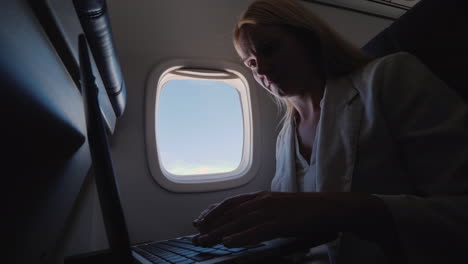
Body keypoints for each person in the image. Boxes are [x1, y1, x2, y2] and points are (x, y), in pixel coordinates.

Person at [191, 0, 468, 263]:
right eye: (250, 63)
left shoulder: (389, 78)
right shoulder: (284, 138)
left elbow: (458, 210)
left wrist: (346, 211)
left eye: (269, 49)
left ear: (308, 39)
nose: (261, 68)